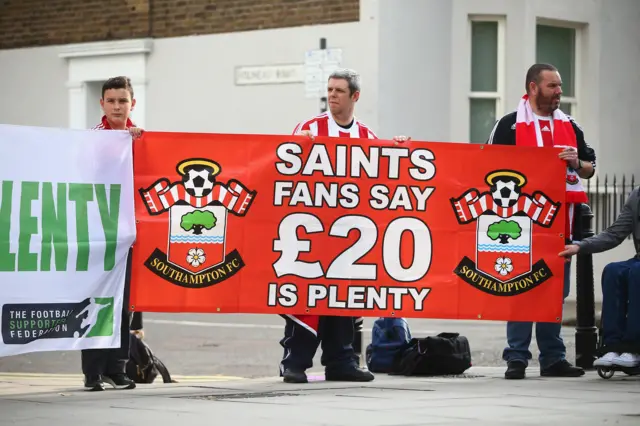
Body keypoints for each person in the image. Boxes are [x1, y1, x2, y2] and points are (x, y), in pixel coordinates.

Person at [280, 68, 410, 384]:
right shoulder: (309, 128)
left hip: (349, 234)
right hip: (313, 231)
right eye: (329, 89)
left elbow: (379, 173)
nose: (332, 95)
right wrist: (297, 145)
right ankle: (294, 362)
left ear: (355, 96)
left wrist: (397, 149)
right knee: (308, 297)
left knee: (344, 298)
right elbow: (285, 163)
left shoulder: (365, 134)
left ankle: (341, 361)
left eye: (339, 90)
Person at [487, 63, 597, 379]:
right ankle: (517, 358)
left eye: (560, 86)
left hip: (563, 221)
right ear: (533, 87)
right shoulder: (508, 126)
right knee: (520, 288)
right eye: (553, 86)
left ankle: (553, 359)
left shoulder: (571, 126)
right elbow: (486, 169)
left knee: (555, 291)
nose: (559, 92)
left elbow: (590, 168)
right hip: (519, 224)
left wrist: (577, 162)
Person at [82, 76, 144, 391]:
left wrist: (137, 144)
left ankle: (117, 368)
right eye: (112, 100)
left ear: (132, 103)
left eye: (123, 100)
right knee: (97, 300)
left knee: (123, 303)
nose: (118, 106)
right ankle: (93, 371)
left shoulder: (142, 138)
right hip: (97, 233)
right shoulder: (92, 138)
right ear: (102, 103)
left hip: (129, 235)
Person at [559, 186, 640, 368]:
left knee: (637, 273)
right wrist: (581, 246)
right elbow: (614, 233)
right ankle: (612, 346)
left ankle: (634, 348)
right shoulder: (637, 195)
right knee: (613, 270)